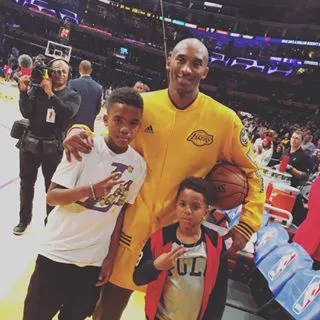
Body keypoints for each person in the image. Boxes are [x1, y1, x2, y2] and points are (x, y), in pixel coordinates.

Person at [64, 38, 265, 319]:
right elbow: (107, 137)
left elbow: (254, 173)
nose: (186, 69)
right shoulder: (142, 105)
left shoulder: (224, 120)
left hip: (179, 240)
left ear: (205, 71)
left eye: (196, 63)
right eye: (181, 59)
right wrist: (78, 128)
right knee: (105, 311)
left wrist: (248, 223)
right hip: (128, 230)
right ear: (169, 61)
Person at [22, 87, 147, 320]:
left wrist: (110, 258)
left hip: (94, 263)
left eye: (133, 123)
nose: (125, 129)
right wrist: (91, 190)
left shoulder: (138, 166)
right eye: (118, 120)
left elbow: (120, 213)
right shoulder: (84, 148)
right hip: (58, 255)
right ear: (105, 118)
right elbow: (53, 196)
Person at [133, 177, 228, 320]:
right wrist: (155, 266)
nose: (187, 211)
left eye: (195, 206)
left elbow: (219, 292)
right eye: (182, 204)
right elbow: (138, 278)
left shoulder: (216, 243)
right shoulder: (159, 239)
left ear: (206, 211)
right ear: (176, 205)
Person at [13, 58, 81, 235]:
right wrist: (23, 92)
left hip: (53, 149)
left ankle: (50, 223)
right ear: (48, 72)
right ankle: (23, 220)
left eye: (63, 71)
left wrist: (51, 94)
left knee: (51, 189)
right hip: (30, 145)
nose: (58, 73)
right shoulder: (37, 90)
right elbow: (26, 112)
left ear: (68, 75)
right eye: (55, 70)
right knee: (26, 185)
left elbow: (66, 114)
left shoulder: (73, 96)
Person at [69, 60, 102, 131]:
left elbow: (69, 105)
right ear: (91, 70)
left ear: (79, 69)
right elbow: (98, 109)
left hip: (73, 125)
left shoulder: (72, 83)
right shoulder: (99, 87)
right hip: (88, 126)